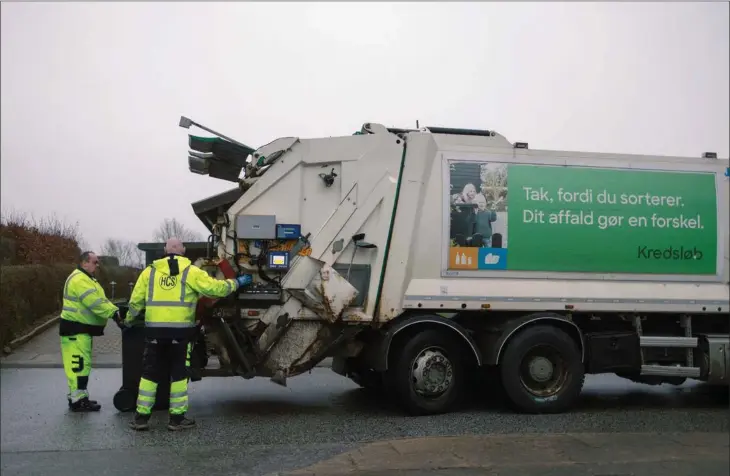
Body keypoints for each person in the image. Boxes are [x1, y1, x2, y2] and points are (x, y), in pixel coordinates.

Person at [124, 237, 252, 432]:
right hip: (181, 334)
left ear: (165, 250)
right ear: (182, 250)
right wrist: (236, 283)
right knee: (178, 374)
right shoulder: (191, 271)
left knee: (150, 373)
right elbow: (215, 289)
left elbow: (135, 303)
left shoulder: (149, 272)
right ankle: (176, 420)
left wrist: (128, 322)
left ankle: (141, 418)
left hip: (154, 333)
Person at [60, 251, 122, 412]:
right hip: (75, 330)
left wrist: (113, 310)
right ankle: (77, 400)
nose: (97, 265)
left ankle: (80, 397)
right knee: (78, 366)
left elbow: (101, 301)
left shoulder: (86, 279)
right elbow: (95, 303)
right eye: (94, 262)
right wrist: (114, 313)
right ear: (84, 263)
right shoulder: (80, 280)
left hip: (79, 330)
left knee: (82, 365)